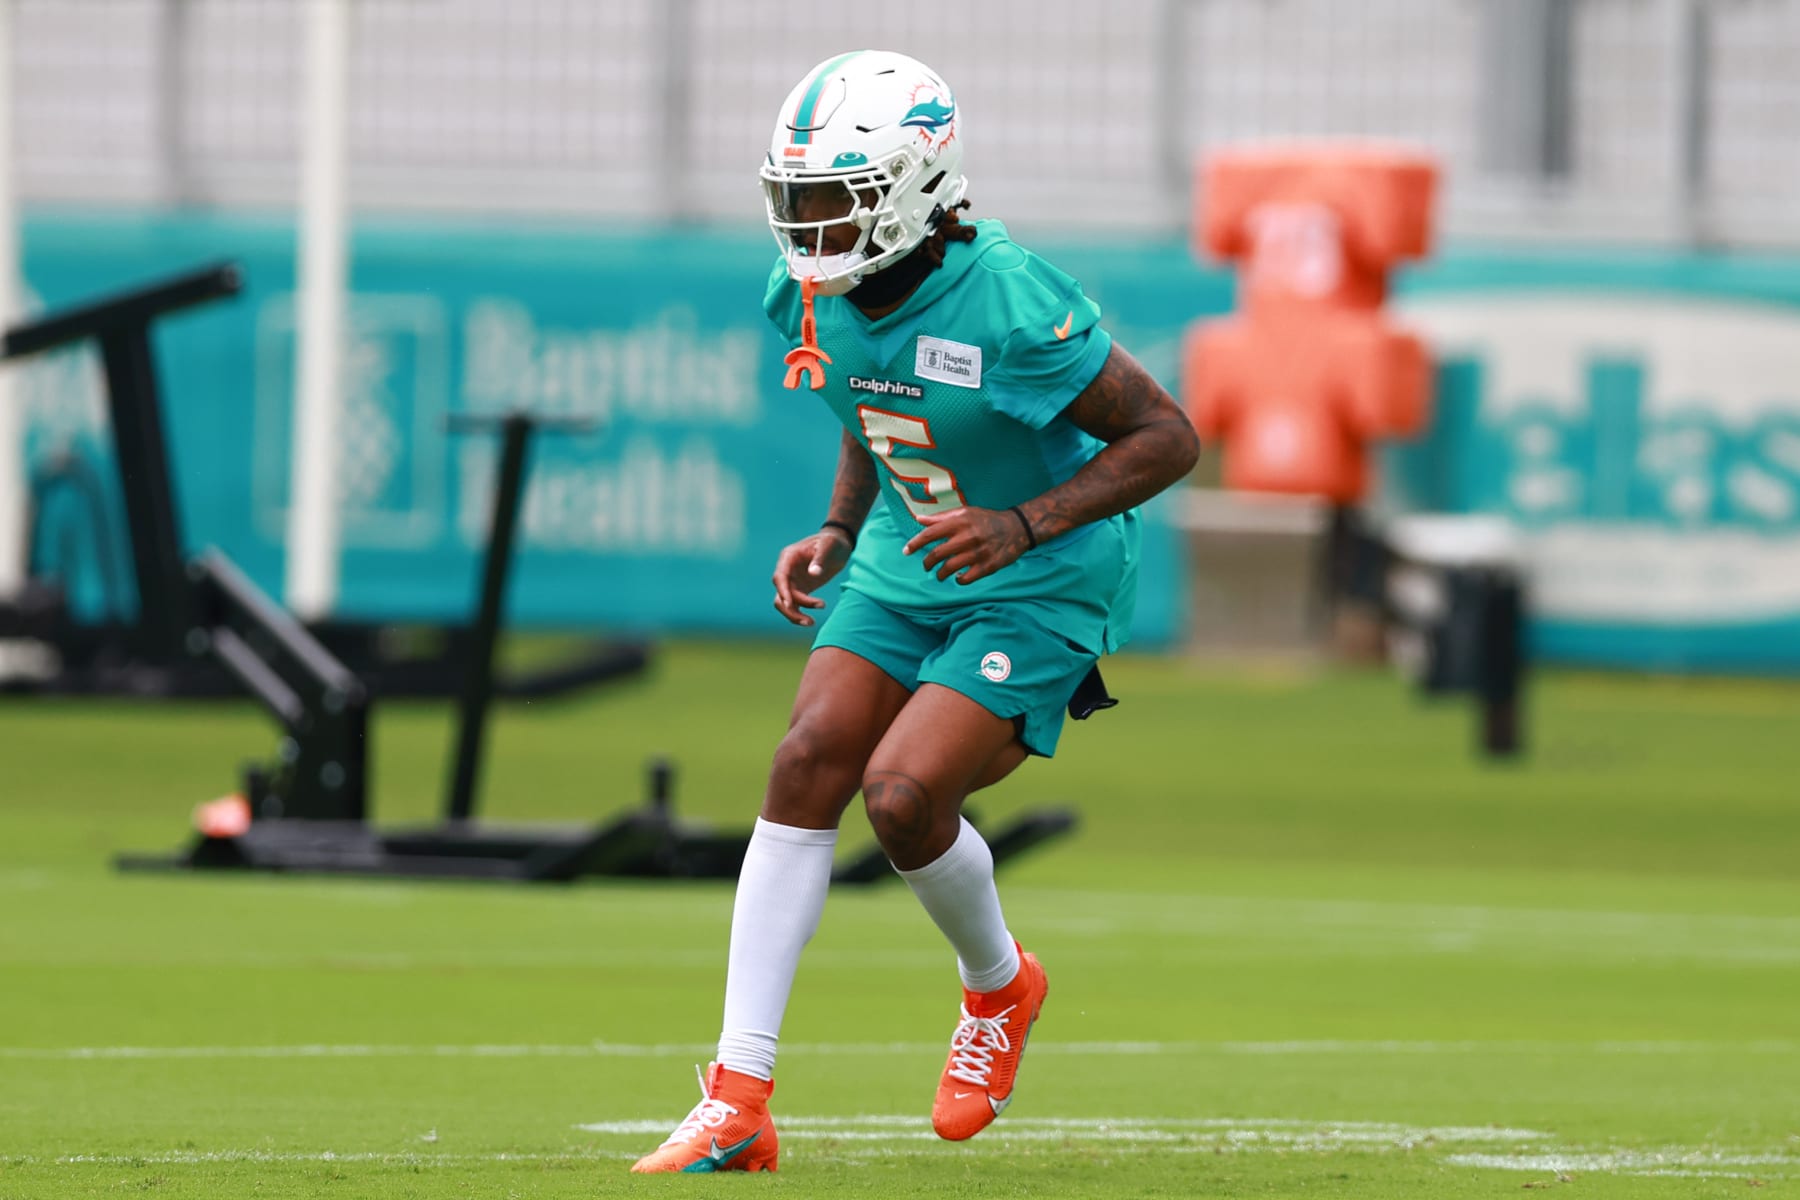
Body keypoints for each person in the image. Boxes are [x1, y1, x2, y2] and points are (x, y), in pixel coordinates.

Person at [631, 49, 1200, 1174]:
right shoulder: (809, 288)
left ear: (913, 187)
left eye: (839, 201)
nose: (813, 229)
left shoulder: (1009, 297)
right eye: (800, 202)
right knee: (807, 760)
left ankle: (1000, 987)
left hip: (1042, 574)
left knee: (900, 795)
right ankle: (737, 1098)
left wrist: (1024, 523)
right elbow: (872, 406)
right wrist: (840, 527)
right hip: (909, 553)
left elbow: (1168, 437)